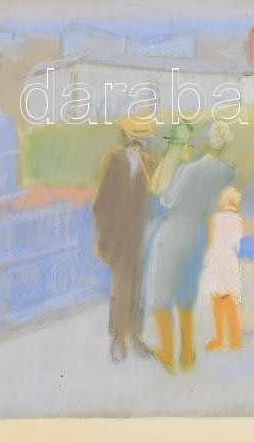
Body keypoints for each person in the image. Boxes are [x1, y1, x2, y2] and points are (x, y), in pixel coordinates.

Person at [147, 121, 235, 372]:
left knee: (160, 290)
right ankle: (187, 351)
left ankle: (167, 352)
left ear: (206, 141)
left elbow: (166, 200)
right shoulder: (227, 171)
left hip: (174, 230)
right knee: (186, 291)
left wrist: (173, 161)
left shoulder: (189, 169)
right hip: (198, 232)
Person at [91, 114, 156, 362]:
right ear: (127, 136)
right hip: (118, 235)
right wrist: (105, 233)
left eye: (144, 136)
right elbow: (101, 200)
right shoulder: (114, 160)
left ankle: (135, 333)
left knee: (138, 285)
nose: (140, 141)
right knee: (121, 286)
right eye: (136, 135)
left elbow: (150, 198)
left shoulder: (148, 162)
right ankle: (118, 337)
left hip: (140, 234)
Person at [202, 186, 245, 352]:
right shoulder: (239, 220)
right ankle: (235, 340)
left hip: (215, 259)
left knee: (216, 299)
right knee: (230, 299)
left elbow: (209, 240)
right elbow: (237, 243)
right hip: (229, 260)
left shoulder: (214, 218)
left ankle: (220, 338)